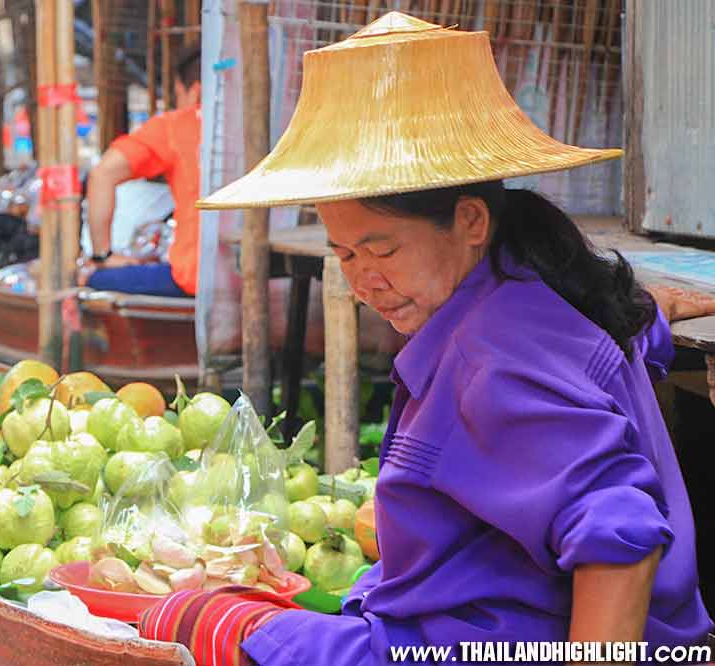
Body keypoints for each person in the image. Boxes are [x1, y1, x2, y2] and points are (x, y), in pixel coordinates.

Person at [139, 13, 714, 664]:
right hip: (482, 621)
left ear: (470, 220)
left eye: (381, 249)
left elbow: (620, 526)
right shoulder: (540, 291)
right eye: (346, 254)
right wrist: (653, 309)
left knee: (190, 618)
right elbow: (622, 352)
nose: (364, 281)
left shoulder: (497, 358)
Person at [79, 47, 201, 298]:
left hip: (197, 279)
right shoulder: (272, 122)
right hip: (276, 277)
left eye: (178, 93)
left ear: (195, 90)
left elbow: (102, 174)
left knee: (90, 278)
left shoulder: (178, 126)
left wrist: (103, 255)